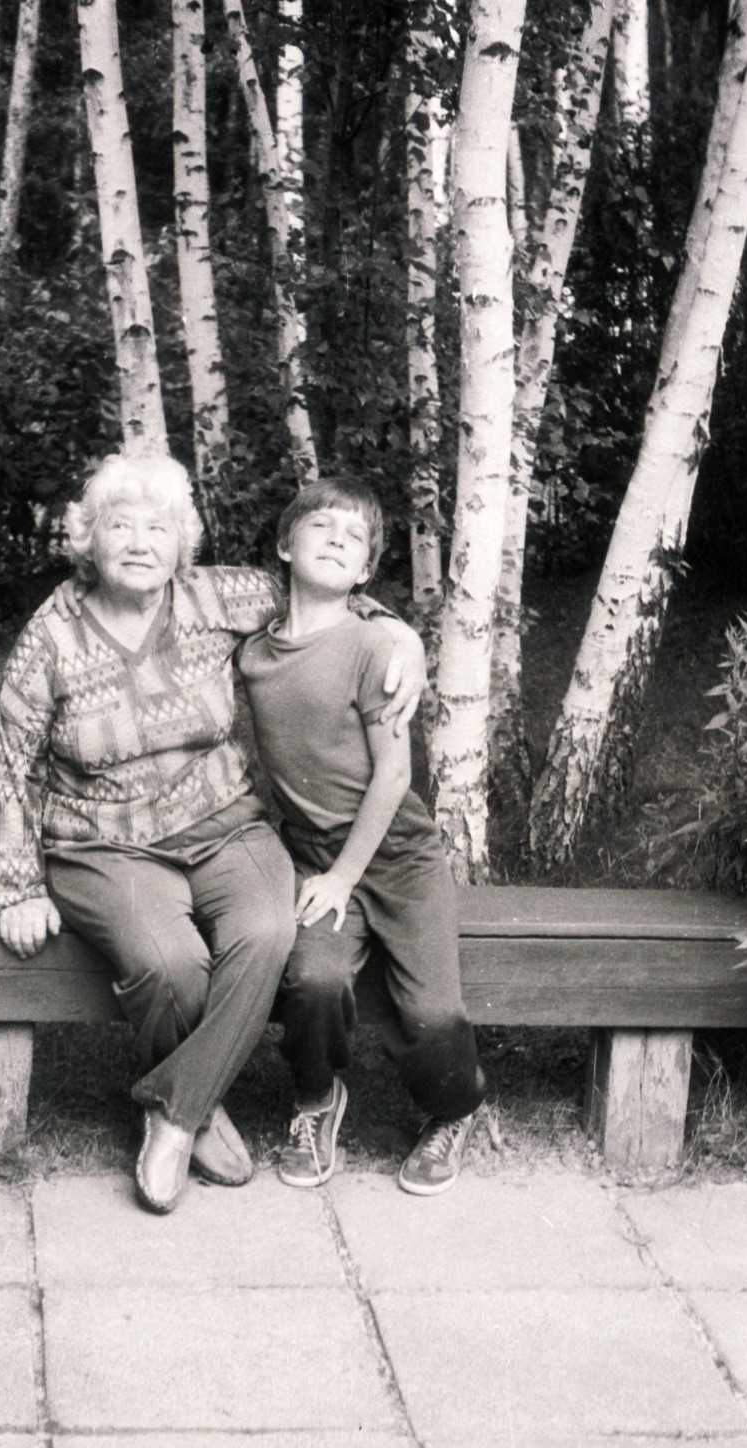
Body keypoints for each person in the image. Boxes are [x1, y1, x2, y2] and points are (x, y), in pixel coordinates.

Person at [0, 453, 426, 1214]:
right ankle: (199, 1110)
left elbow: (319, 591)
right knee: (169, 962)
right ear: (91, 539)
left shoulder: (215, 596)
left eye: (159, 527)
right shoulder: (52, 634)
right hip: (103, 841)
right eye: (121, 525)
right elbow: (6, 762)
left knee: (266, 931)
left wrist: (398, 633)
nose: (140, 542)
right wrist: (17, 886)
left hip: (222, 824)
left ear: (180, 541)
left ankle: (173, 1111)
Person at [237, 475, 486, 1196]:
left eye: (355, 537)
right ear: (286, 545)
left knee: (435, 1018)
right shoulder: (253, 652)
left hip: (398, 859)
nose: (338, 539)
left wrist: (346, 878)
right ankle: (316, 1101)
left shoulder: (377, 648)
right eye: (321, 527)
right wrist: (328, 874)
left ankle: (454, 1111)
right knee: (312, 983)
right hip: (313, 857)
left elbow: (391, 777)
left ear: (368, 570)